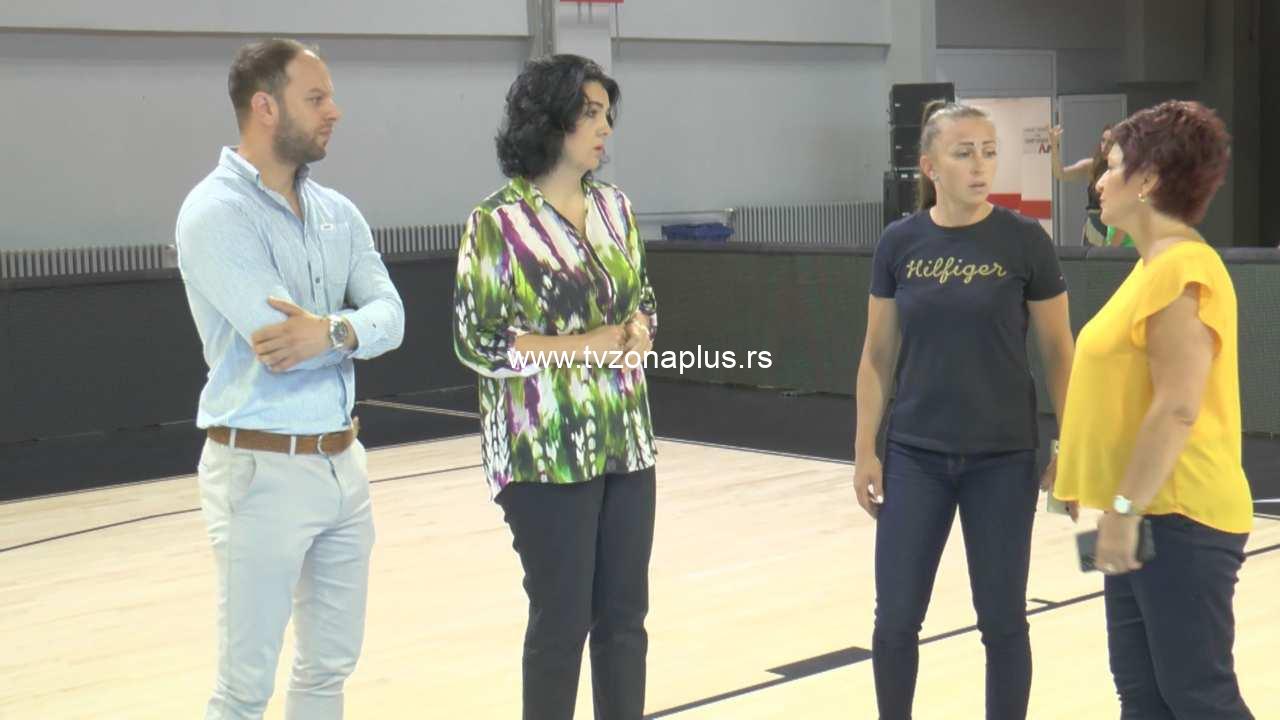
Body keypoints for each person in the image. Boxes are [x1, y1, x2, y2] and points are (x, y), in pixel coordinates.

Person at [175, 38, 405, 720]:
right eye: (316, 97)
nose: (335, 110)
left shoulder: (338, 212)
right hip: (259, 470)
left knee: (328, 670)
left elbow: (392, 317)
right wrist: (352, 330)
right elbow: (278, 341)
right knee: (244, 688)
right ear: (265, 107)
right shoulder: (214, 212)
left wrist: (331, 331)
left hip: (343, 465)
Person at [853, 100, 1076, 719]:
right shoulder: (899, 242)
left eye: (989, 152)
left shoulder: (1025, 241)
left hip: (1003, 459)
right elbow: (876, 355)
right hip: (915, 456)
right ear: (931, 166)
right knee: (896, 620)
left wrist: (1072, 446)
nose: (980, 165)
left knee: (1003, 621)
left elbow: (1060, 353)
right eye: (964, 153)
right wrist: (865, 448)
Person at [452, 54, 657, 720]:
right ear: (549, 119)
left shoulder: (616, 208)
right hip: (542, 451)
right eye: (590, 113)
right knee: (562, 621)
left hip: (626, 442)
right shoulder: (496, 222)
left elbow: (644, 299)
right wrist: (581, 347)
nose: (605, 128)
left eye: (607, 114)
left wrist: (639, 328)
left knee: (624, 619)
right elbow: (478, 340)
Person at [1052, 100, 1252, 718]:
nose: (1100, 181)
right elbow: (1126, 394)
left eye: (1112, 166)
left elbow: (1177, 408)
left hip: (1178, 517)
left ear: (1149, 178)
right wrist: (1076, 465)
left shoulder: (1182, 267)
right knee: (1144, 699)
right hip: (1145, 516)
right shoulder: (1151, 267)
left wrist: (1123, 509)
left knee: (1199, 699)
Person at [1051, 125, 1132, 247]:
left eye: (1110, 142)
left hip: (1117, 226)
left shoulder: (1127, 172)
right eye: (1103, 140)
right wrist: (1054, 147)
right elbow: (1060, 173)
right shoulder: (1092, 165)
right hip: (1095, 226)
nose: (1105, 146)